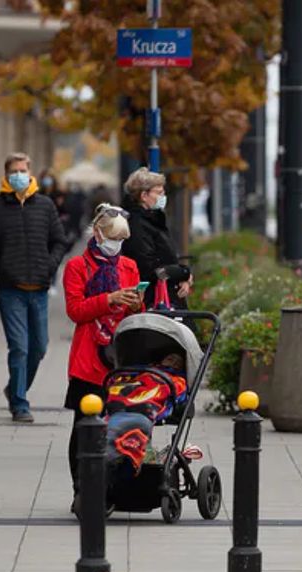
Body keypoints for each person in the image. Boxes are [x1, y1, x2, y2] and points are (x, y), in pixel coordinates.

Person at [0, 152, 70, 424]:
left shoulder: (45, 206)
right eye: (15, 171)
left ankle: (14, 387)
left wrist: (49, 266)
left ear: (30, 173)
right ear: (6, 175)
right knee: (19, 346)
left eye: (24, 170)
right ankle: (19, 403)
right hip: (10, 288)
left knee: (39, 347)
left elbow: (60, 241)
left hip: (38, 286)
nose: (20, 175)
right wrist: (2, 268)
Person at [63, 203, 141, 511]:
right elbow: (75, 311)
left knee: (117, 425)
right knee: (84, 426)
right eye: (112, 238)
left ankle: (110, 487)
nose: (117, 246)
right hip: (88, 358)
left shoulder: (129, 266)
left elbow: (138, 313)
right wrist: (108, 299)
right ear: (97, 233)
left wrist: (134, 303)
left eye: (122, 240)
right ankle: (80, 488)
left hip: (119, 356)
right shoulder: (77, 267)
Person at [104, 351, 188, 496]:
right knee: (109, 429)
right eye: (170, 358)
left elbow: (176, 396)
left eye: (178, 362)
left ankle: (121, 469)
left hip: (145, 409)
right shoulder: (139, 371)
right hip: (123, 404)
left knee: (134, 430)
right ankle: (109, 468)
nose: (173, 362)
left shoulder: (177, 379)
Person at [120, 167, 193, 309]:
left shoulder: (154, 220)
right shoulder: (137, 225)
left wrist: (183, 277)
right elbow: (149, 268)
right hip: (154, 301)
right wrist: (183, 273)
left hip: (167, 296)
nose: (163, 196)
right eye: (159, 192)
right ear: (144, 196)